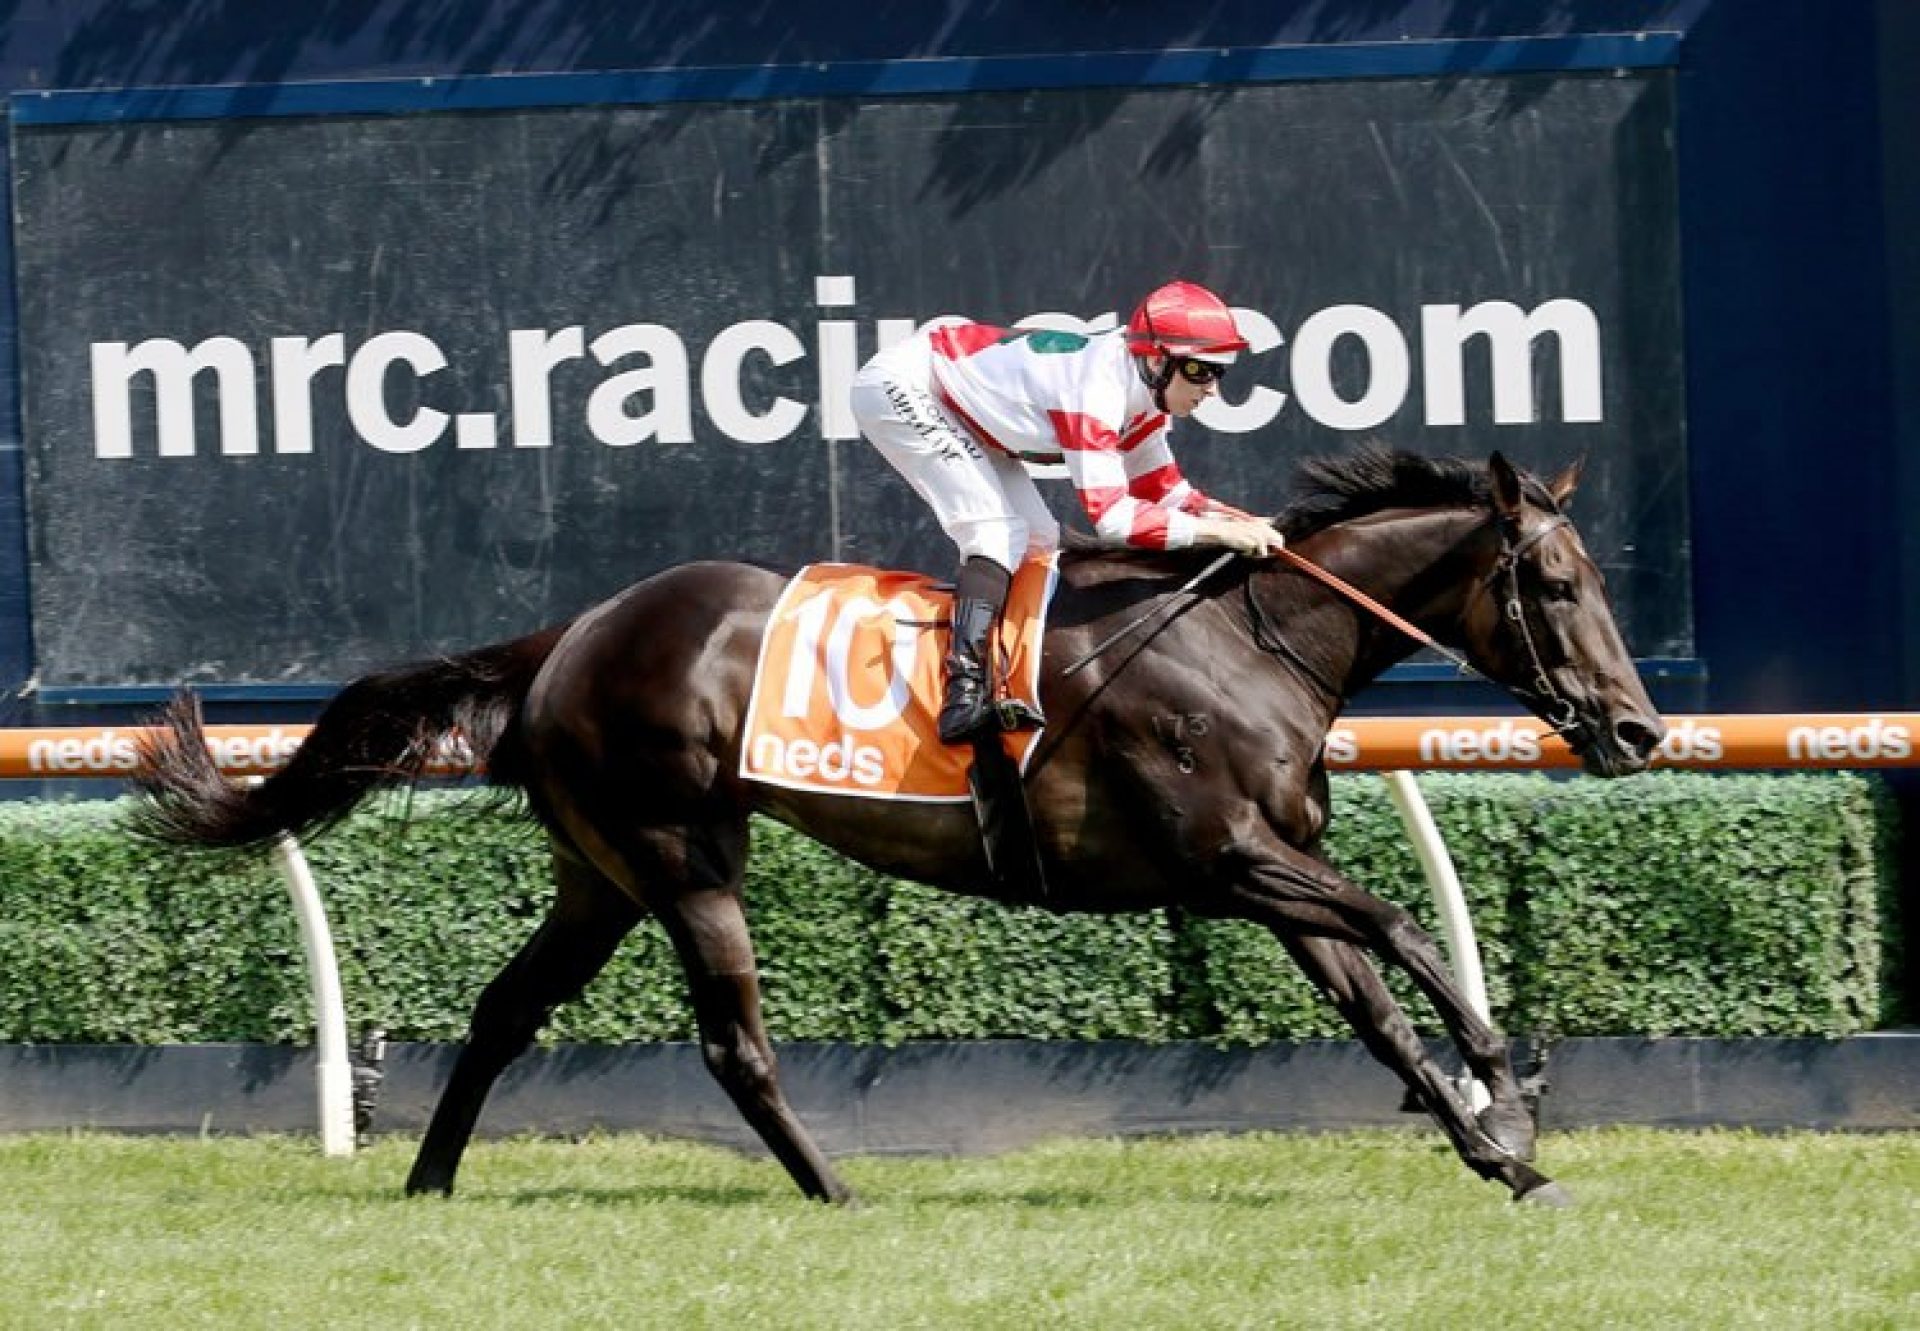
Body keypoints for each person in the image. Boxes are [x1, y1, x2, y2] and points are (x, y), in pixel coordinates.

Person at [849, 279, 1287, 745]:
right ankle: (962, 696)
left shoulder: (1144, 396)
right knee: (995, 536)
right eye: (1201, 371)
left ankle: (1010, 676)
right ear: (1157, 360)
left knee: (1040, 543)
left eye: (1221, 373)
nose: (1213, 390)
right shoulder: (1098, 390)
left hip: (968, 405)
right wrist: (1220, 535)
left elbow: (1166, 492)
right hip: (908, 386)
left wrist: (1247, 523)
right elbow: (1113, 518)